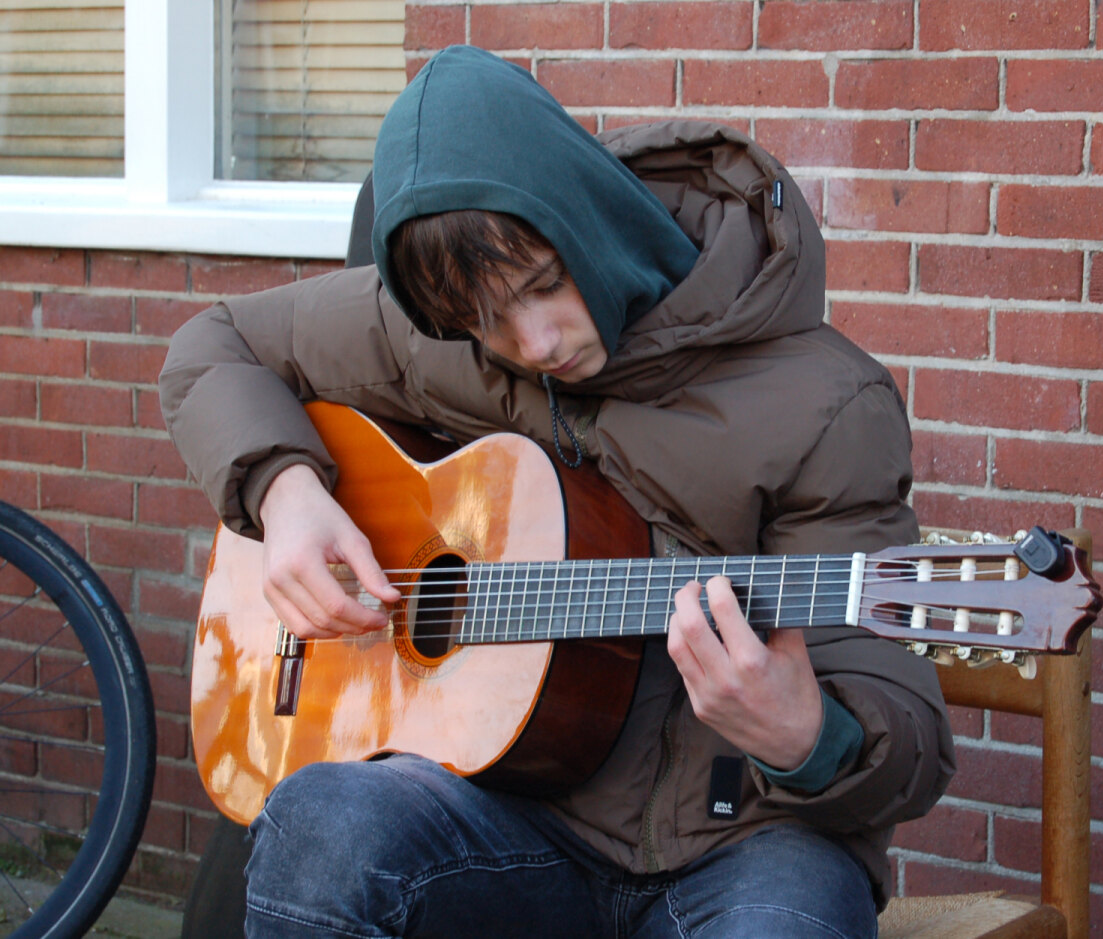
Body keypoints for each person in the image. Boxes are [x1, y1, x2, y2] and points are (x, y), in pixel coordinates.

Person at [160, 45, 954, 938]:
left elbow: (908, 738)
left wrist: (811, 739)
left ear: (592, 218)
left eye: (545, 285)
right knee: (322, 827)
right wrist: (285, 490)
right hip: (523, 819)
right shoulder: (444, 333)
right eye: (484, 319)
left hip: (754, 841)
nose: (533, 340)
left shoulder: (825, 405)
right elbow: (212, 345)